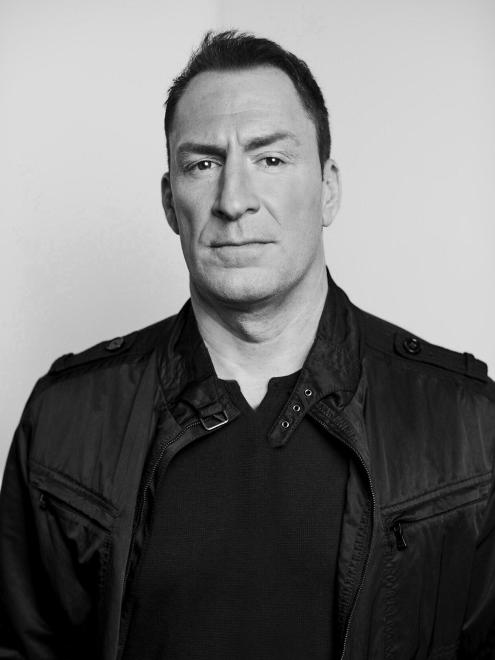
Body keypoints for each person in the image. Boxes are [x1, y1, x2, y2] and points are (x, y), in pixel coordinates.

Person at [1, 29, 494, 660]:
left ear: (329, 189)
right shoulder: (65, 421)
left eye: (271, 160)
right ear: (170, 202)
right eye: (203, 165)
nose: (233, 201)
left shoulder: (466, 424)